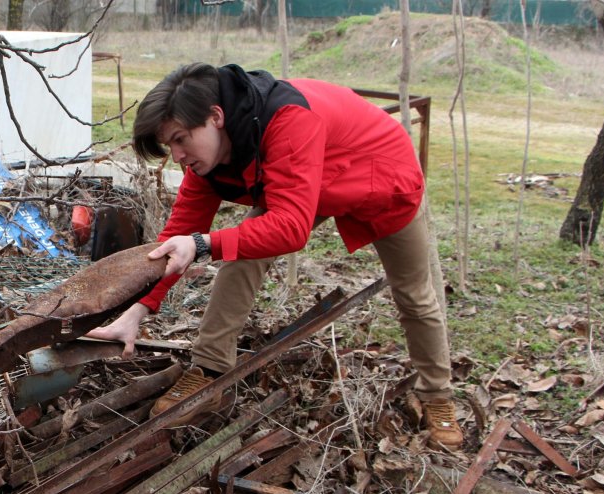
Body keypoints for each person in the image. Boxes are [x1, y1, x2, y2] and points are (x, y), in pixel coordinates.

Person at [87, 63, 462, 449]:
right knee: (243, 255)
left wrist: (203, 244)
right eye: (171, 147)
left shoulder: (287, 120)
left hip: (378, 174)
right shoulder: (205, 159)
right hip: (300, 183)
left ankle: (437, 396)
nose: (179, 156)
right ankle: (210, 371)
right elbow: (173, 240)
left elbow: (290, 228)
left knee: (415, 295)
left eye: (182, 140)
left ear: (215, 117)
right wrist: (137, 312)